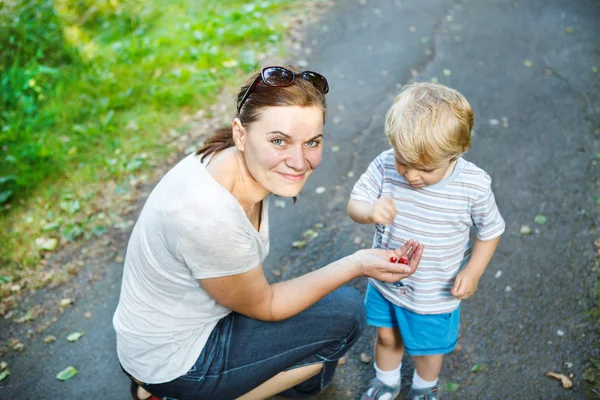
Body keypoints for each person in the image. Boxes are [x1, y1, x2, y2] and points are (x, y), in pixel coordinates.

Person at [112, 65, 425, 400]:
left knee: (320, 312)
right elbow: (268, 306)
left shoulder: (225, 160)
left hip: (160, 339)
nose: (299, 161)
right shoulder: (209, 217)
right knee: (345, 315)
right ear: (241, 133)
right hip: (176, 363)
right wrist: (358, 263)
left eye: (312, 142)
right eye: (279, 141)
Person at [348, 82, 505, 400]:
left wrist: (472, 272)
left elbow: (490, 231)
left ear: (459, 152)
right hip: (386, 282)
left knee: (428, 349)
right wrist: (370, 211)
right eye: (403, 161)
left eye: (426, 168)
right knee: (387, 336)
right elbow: (355, 204)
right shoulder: (384, 166)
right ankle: (386, 382)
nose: (410, 175)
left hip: (435, 291)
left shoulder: (472, 187)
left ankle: (424, 387)